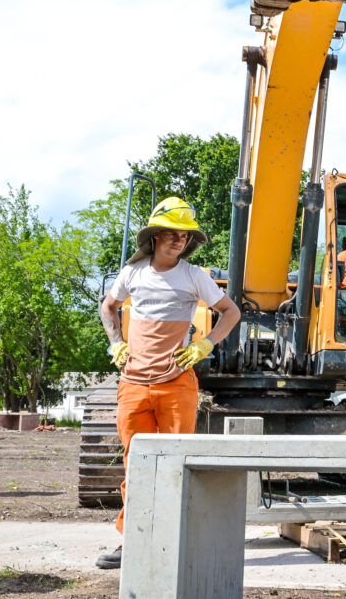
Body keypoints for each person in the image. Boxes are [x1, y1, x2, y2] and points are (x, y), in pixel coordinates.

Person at [94, 197, 241, 570]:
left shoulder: (194, 276)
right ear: (156, 236)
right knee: (136, 464)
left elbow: (231, 312)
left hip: (176, 384)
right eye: (173, 233)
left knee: (179, 464)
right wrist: (115, 343)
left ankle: (177, 542)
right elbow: (108, 307)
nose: (179, 240)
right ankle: (132, 541)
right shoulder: (133, 273)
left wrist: (206, 343)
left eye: (185, 235)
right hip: (133, 384)